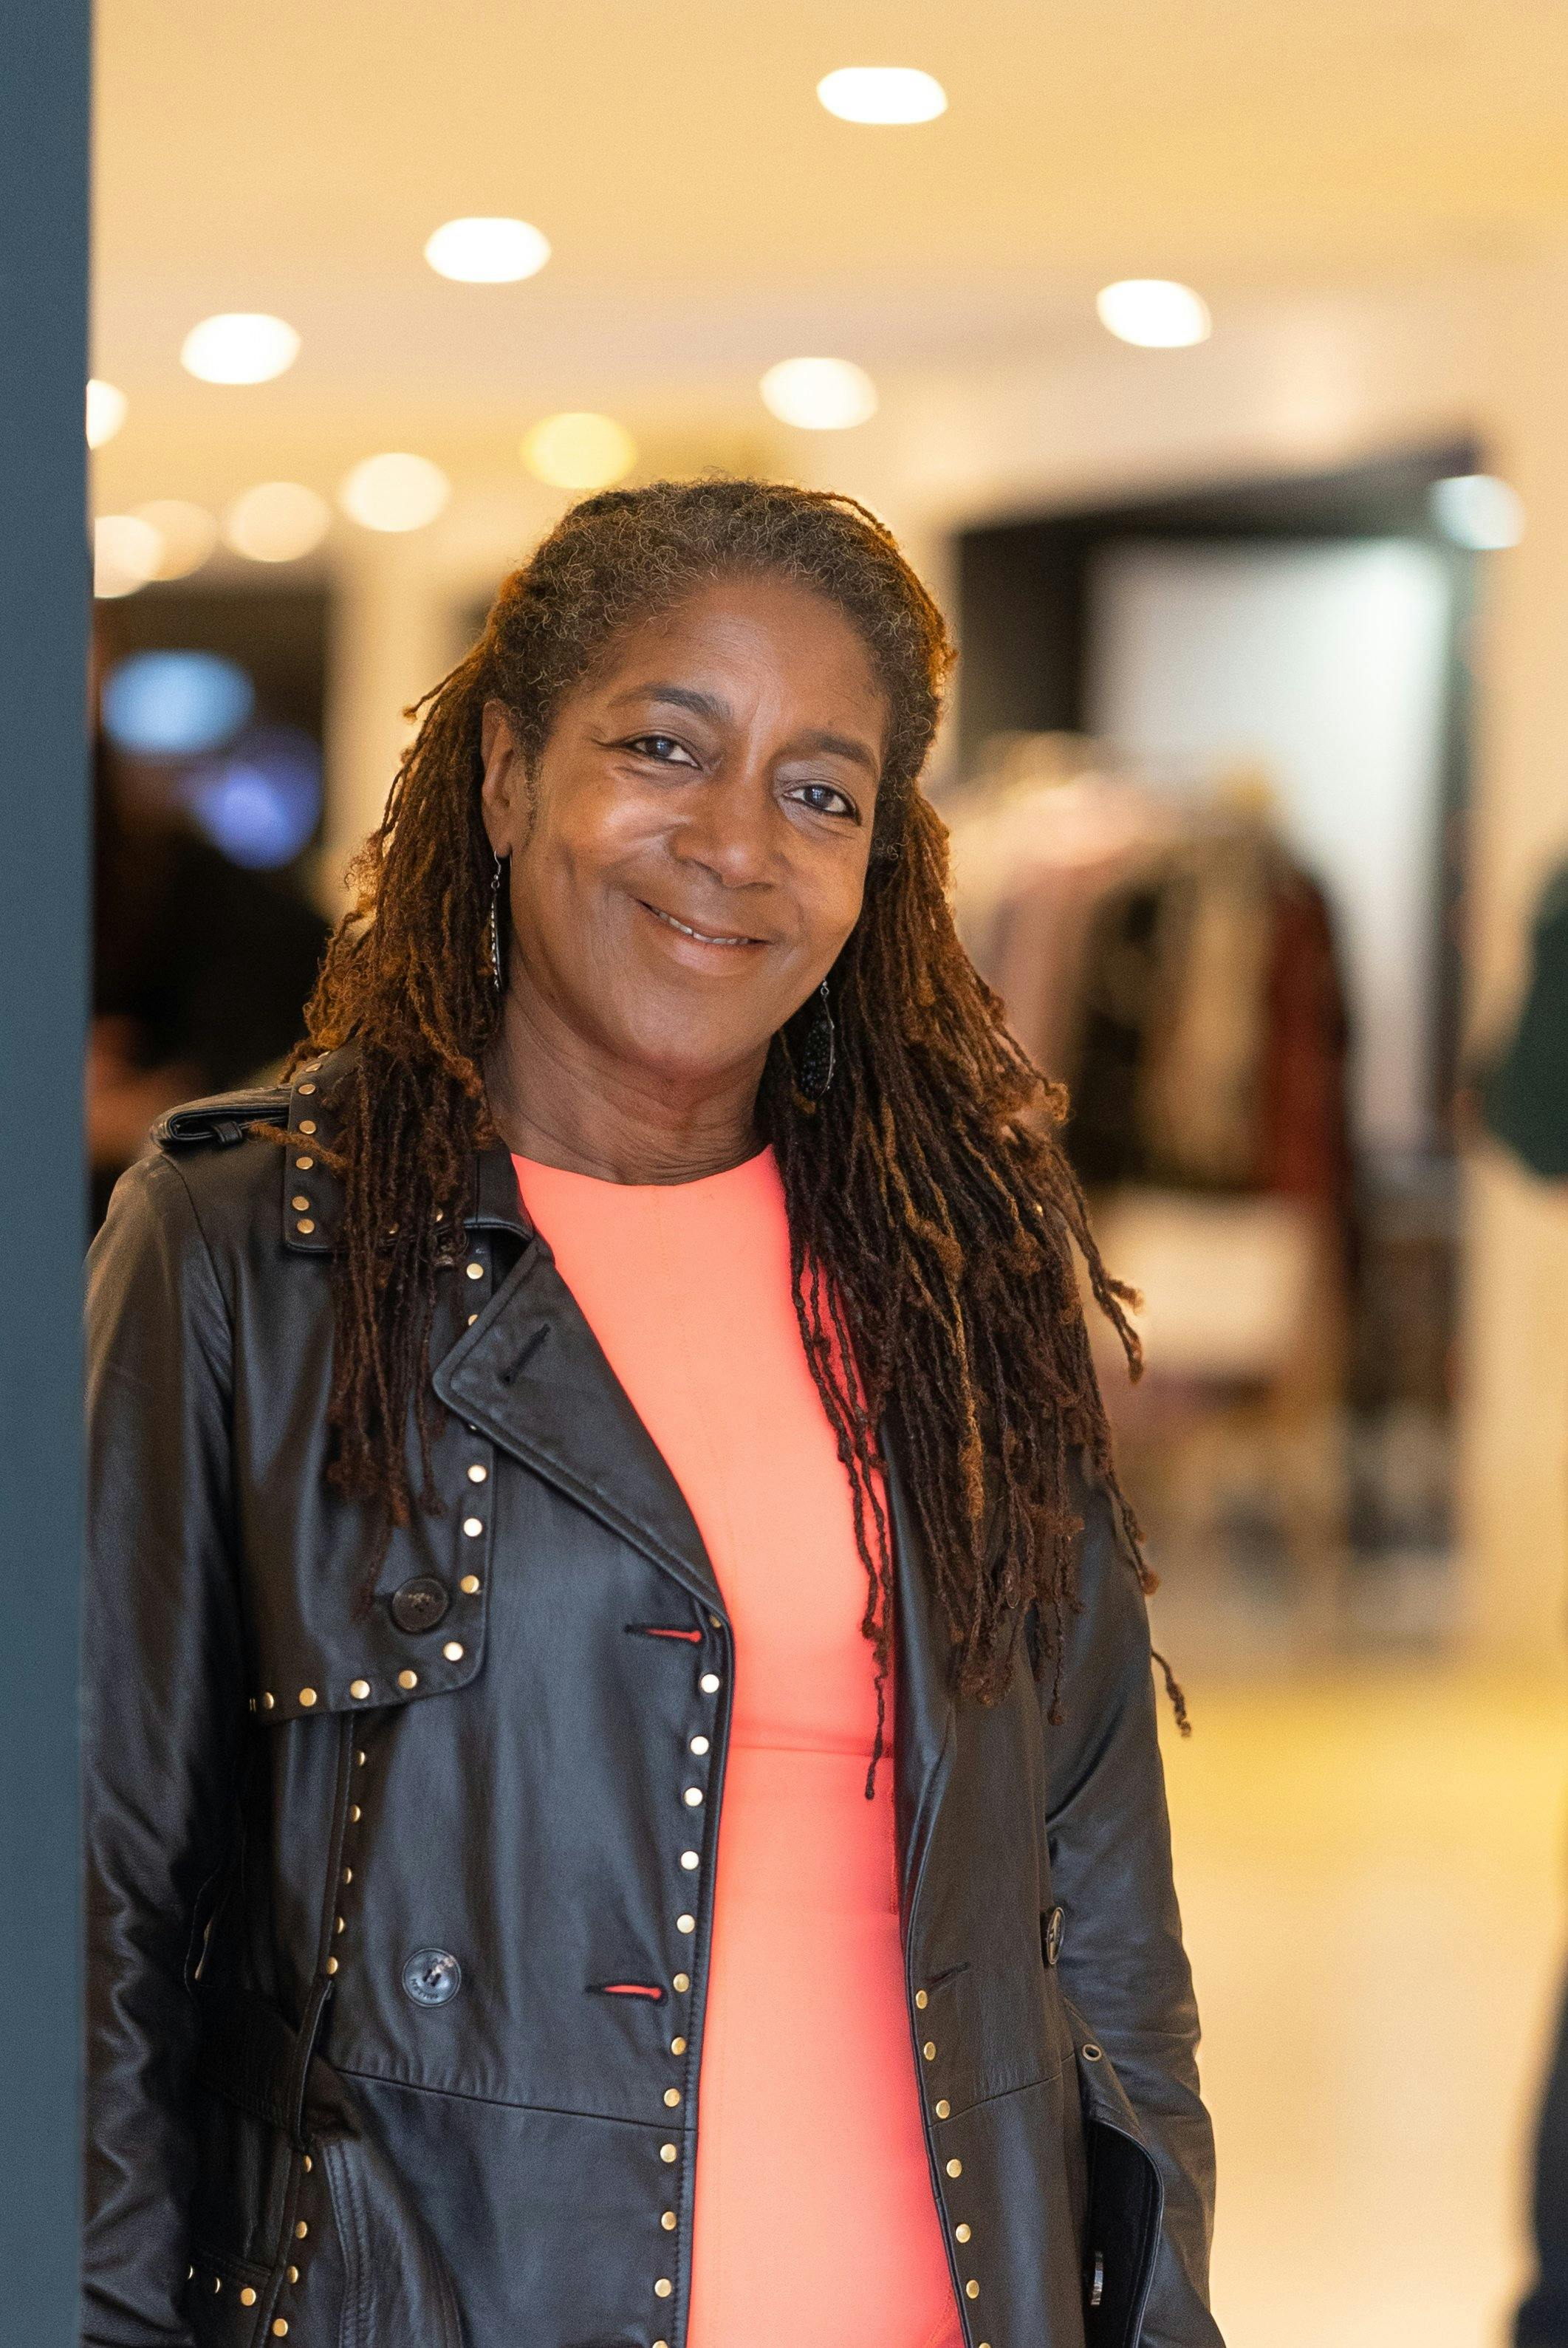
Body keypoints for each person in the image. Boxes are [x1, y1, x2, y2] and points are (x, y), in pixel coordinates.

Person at [83, 478, 1222, 2348]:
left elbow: (1108, 1922)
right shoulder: (252, 1246)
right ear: (510, 773)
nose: (735, 845)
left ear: (884, 860)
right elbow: (95, 1901)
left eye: (819, 790)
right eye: (665, 747)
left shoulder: (960, 1270)